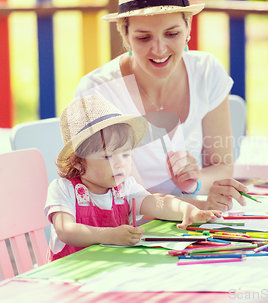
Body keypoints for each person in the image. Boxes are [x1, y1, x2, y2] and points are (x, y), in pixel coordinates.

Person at [75, 0, 248, 211]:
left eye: (172, 34)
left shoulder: (207, 71)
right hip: (126, 235)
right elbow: (124, 196)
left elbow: (222, 167)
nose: (159, 49)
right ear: (125, 36)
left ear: (188, 29)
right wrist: (194, 207)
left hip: (191, 227)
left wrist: (194, 183)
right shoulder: (97, 91)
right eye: (144, 38)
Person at [44, 95, 221, 261]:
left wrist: (185, 210)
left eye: (126, 155)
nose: (120, 164)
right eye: (107, 156)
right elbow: (66, 230)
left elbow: (157, 204)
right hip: (69, 275)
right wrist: (110, 235)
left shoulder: (125, 188)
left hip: (112, 269)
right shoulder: (63, 189)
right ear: (77, 161)